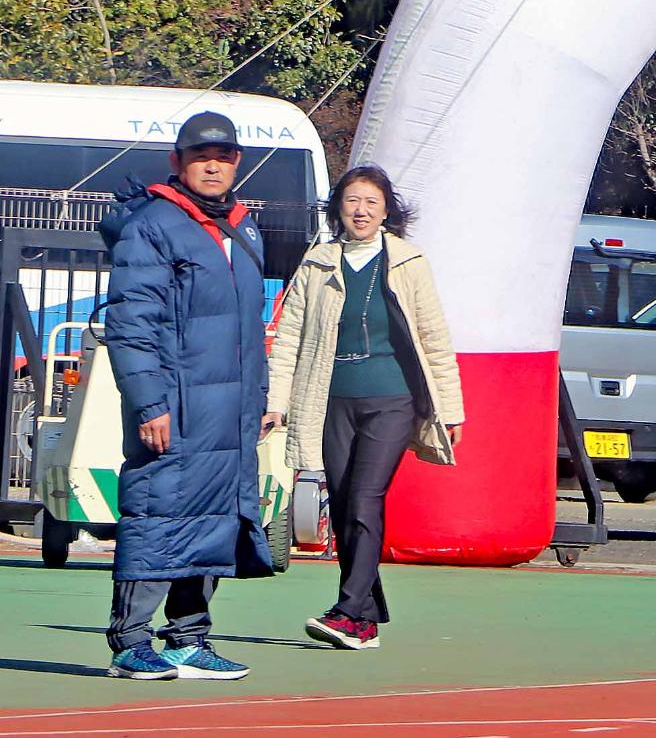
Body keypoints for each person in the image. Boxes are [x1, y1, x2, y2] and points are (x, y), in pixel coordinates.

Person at [98, 112, 278, 681]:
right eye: (201, 156)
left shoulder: (243, 228)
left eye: (224, 156)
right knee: (156, 512)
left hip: (230, 413)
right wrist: (150, 403)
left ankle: (188, 638)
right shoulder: (153, 225)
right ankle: (130, 642)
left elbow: (249, 325)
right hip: (176, 410)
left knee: (213, 519)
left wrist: (260, 397)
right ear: (177, 162)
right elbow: (132, 325)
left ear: (237, 164)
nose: (213, 165)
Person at [267, 165, 465, 650]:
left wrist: (451, 408)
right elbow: (290, 336)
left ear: (386, 211)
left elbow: (434, 337)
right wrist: (277, 402)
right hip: (332, 398)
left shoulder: (407, 261)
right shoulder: (317, 263)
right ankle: (364, 618)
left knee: (364, 498)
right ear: (338, 206)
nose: (361, 210)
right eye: (353, 200)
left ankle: (347, 610)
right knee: (343, 503)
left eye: (372, 202)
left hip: (393, 399)